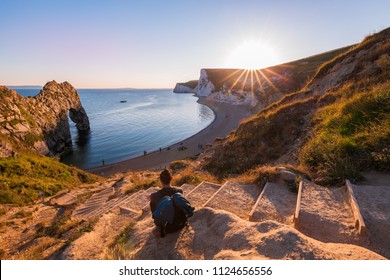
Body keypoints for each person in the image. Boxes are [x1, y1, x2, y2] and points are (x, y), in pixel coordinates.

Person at [149, 169, 188, 237]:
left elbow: (154, 215)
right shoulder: (179, 191)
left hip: (168, 228)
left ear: (160, 181)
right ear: (171, 178)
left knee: (153, 203)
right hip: (181, 223)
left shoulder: (154, 196)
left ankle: (160, 228)